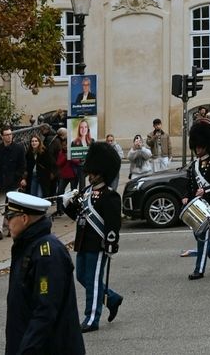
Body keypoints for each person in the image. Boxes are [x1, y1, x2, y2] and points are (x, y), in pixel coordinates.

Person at [5, 191, 85, 355]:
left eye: (10, 216)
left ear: (24, 218)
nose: (6, 222)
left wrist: (26, 350)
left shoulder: (47, 254)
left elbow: (45, 310)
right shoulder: (27, 246)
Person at [64, 142, 123, 333]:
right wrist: (69, 202)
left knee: (93, 280)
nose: (90, 175)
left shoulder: (110, 196)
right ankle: (111, 298)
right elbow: (77, 215)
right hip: (83, 242)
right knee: (83, 276)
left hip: (98, 244)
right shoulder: (86, 192)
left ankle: (91, 318)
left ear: (101, 172)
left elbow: (113, 223)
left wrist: (111, 243)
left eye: (94, 172)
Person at [182, 121, 210, 280]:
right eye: (196, 147)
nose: (197, 150)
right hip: (197, 206)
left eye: (200, 147)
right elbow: (189, 184)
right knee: (199, 235)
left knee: (202, 237)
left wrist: (206, 190)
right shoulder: (194, 165)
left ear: (206, 146)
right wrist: (186, 196)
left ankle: (199, 269)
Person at [0, 125, 26, 240]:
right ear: (2, 136)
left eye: (10, 134)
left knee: (13, 207)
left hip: (13, 182)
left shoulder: (19, 149)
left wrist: (18, 178)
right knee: (0, 207)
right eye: (6, 135)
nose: (9, 137)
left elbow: (22, 165)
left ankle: (13, 229)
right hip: (0, 183)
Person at [25, 133, 56, 199]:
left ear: (39, 142)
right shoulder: (29, 153)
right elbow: (27, 165)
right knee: (32, 195)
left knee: (40, 195)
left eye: (36, 141)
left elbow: (50, 164)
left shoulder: (44, 152)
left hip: (43, 177)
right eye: (32, 141)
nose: (34, 143)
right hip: (33, 176)